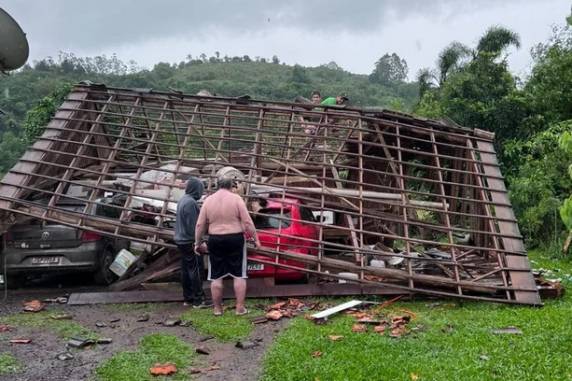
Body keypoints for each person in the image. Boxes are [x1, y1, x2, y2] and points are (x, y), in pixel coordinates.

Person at [195, 175, 261, 316]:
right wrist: (256, 239)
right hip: (235, 238)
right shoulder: (236, 199)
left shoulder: (208, 200)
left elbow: (200, 224)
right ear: (231, 186)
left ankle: (218, 309)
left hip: (215, 239)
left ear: (218, 185)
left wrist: (197, 242)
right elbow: (248, 222)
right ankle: (240, 308)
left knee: (216, 276)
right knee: (239, 275)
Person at [174, 177, 208, 308]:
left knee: (186, 269)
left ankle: (188, 298)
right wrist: (199, 242)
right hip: (189, 241)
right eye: (200, 189)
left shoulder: (183, 200)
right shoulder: (190, 203)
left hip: (181, 240)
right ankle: (198, 300)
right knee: (195, 270)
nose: (201, 192)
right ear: (196, 189)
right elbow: (193, 226)